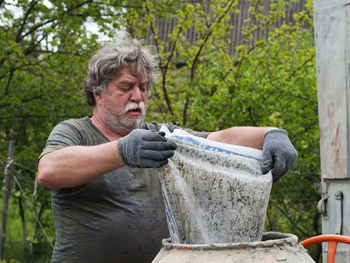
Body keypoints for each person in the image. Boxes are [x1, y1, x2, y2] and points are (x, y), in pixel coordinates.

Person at [37, 35, 297, 263]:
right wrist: (122, 152)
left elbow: (219, 138)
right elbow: (49, 171)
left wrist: (268, 134)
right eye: (126, 87)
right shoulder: (75, 132)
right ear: (98, 93)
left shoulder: (159, 135)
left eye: (144, 88)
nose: (138, 96)